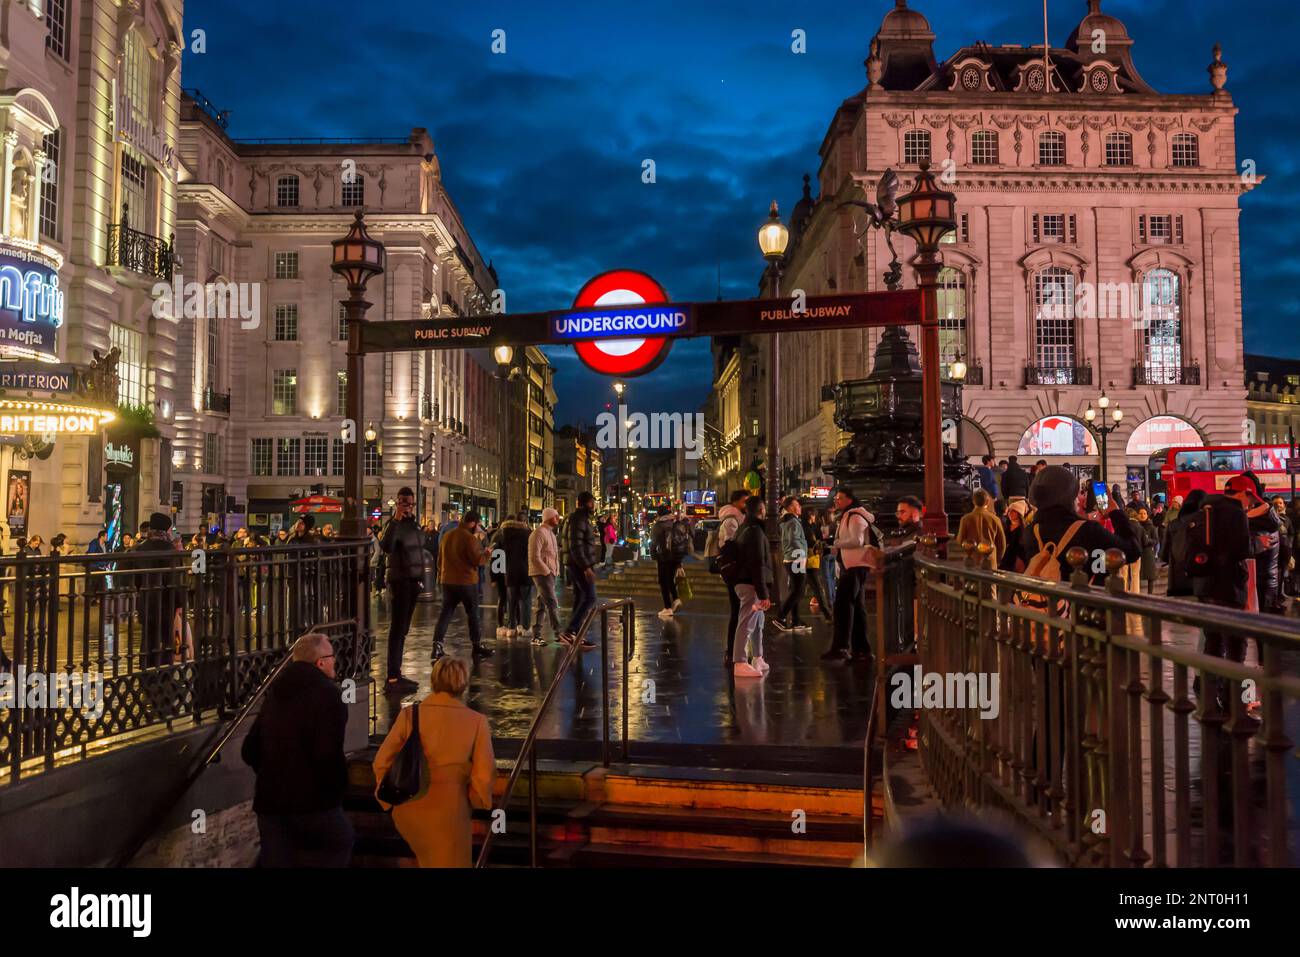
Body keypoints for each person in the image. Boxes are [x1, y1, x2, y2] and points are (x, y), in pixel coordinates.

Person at [241, 632, 351, 868]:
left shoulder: (275, 692)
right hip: (314, 803)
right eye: (332, 657)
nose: (335, 662)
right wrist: (336, 792)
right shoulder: (329, 695)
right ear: (320, 662)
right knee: (339, 843)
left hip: (270, 802)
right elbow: (328, 756)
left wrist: (272, 773)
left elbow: (249, 749)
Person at [372, 656, 495, 868]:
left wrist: (388, 801)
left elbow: (381, 761)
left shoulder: (411, 714)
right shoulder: (476, 722)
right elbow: (484, 775)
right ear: (463, 683)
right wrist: (477, 801)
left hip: (409, 806)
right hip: (450, 812)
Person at [1190, 478, 1255, 710]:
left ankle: (1209, 697)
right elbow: (1242, 549)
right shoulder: (1237, 514)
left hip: (1205, 585)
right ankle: (1233, 699)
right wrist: (1258, 544)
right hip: (1227, 587)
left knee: (1213, 642)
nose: (1249, 503)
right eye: (1249, 498)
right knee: (1236, 644)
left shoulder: (1207, 508)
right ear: (1242, 494)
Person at [1020, 467, 1140, 586]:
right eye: (1075, 494)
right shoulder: (1088, 531)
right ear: (1068, 496)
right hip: (1082, 602)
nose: (1078, 499)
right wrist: (1115, 511)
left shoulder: (1031, 530)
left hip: (1043, 601)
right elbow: (1132, 550)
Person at [378, 487, 429, 692]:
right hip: (400, 581)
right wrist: (396, 518)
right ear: (397, 503)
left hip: (413, 581)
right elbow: (386, 546)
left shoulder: (414, 525)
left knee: (403, 629)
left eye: (408, 502)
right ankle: (392, 677)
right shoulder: (394, 525)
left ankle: (396, 673)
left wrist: (421, 580)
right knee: (398, 629)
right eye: (402, 502)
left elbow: (420, 549)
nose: (406, 506)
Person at [824, 485, 881, 663]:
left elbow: (857, 540)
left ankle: (841, 647)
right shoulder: (850, 515)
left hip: (856, 565)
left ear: (849, 498)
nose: (836, 500)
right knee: (856, 607)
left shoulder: (855, 516)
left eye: (839, 498)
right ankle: (861, 649)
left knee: (843, 606)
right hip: (854, 565)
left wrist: (836, 543)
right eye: (836, 498)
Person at [433, 511, 492, 660]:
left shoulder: (447, 536)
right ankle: (476, 645)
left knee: (445, 613)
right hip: (466, 582)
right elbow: (477, 560)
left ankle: (437, 645)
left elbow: (439, 559)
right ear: (472, 523)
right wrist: (487, 554)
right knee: (473, 614)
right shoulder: (469, 538)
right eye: (477, 524)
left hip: (447, 581)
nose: (477, 527)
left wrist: (440, 576)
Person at [730, 496, 772, 679]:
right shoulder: (755, 531)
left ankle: (758, 657)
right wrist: (763, 592)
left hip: (747, 581)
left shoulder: (744, 528)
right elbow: (757, 563)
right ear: (761, 510)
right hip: (750, 584)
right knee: (747, 622)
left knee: (757, 623)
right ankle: (739, 662)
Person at [559, 491, 601, 649]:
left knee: (580, 597)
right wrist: (586, 567)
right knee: (590, 597)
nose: (594, 506)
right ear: (588, 503)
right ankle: (571, 630)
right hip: (579, 565)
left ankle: (574, 633)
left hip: (575, 563)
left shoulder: (577, 518)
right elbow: (576, 545)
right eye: (592, 503)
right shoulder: (579, 519)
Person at [715, 489, 748, 666]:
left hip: (735, 570)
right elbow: (730, 546)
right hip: (733, 571)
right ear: (735, 502)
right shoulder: (731, 521)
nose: (746, 506)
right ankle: (731, 651)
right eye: (744, 502)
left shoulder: (737, 519)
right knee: (736, 611)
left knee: (739, 611)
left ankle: (735, 650)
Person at [772, 496, 811, 633]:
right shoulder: (792, 521)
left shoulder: (786, 521)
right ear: (791, 507)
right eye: (797, 505)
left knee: (796, 589)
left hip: (793, 557)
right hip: (796, 558)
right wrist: (802, 555)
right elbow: (793, 540)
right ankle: (780, 617)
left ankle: (796, 620)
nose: (800, 507)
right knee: (798, 590)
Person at [1163, 488, 1207, 597]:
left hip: (1178, 584)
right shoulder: (1207, 522)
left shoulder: (1173, 524)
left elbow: (1164, 555)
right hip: (1202, 584)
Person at [528, 508, 563, 645]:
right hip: (542, 573)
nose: (558, 519)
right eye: (556, 516)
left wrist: (555, 571)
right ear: (548, 518)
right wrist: (547, 571)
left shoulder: (551, 534)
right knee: (552, 602)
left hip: (550, 573)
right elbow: (534, 556)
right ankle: (559, 633)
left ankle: (536, 635)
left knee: (541, 603)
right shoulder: (538, 533)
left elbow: (553, 555)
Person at [497, 512, 533, 636]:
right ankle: (525, 627)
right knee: (525, 601)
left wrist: (498, 574)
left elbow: (499, 554)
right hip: (525, 572)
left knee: (511, 601)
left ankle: (511, 628)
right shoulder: (528, 534)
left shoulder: (504, 534)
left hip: (510, 572)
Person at [650, 508, 691, 618]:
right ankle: (676, 599)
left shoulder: (658, 526)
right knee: (670, 579)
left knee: (663, 582)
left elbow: (654, 543)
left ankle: (667, 608)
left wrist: (654, 555)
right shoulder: (674, 524)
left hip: (664, 557)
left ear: (659, 515)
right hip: (676, 557)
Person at [955, 489, 1007, 565]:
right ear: (987, 502)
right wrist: (997, 559)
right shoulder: (995, 519)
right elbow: (1002, 544)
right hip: (990, 561)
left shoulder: (965, 519)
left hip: (972, 560)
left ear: (973, 502)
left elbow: (960, 541)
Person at [998, 499, 1031, 572]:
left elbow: (1023, 549)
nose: (1010, 513)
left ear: (1019, 514)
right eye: (1009, 511)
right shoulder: (1005, 525)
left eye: (1013, 511)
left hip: (1016, 562)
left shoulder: (1024, 529)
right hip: (1004, 559)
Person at [1135, 505, 1159, 594]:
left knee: (1150, 575)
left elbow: (1156, 540)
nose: (1142, 515)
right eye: (1140, 513)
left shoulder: (1151, 526)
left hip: (1148, 552)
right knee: (1136, 575)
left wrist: (1147, 540)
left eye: (1144, 513)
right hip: (1138, 552)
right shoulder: (1135, 526)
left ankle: (1150, 594)